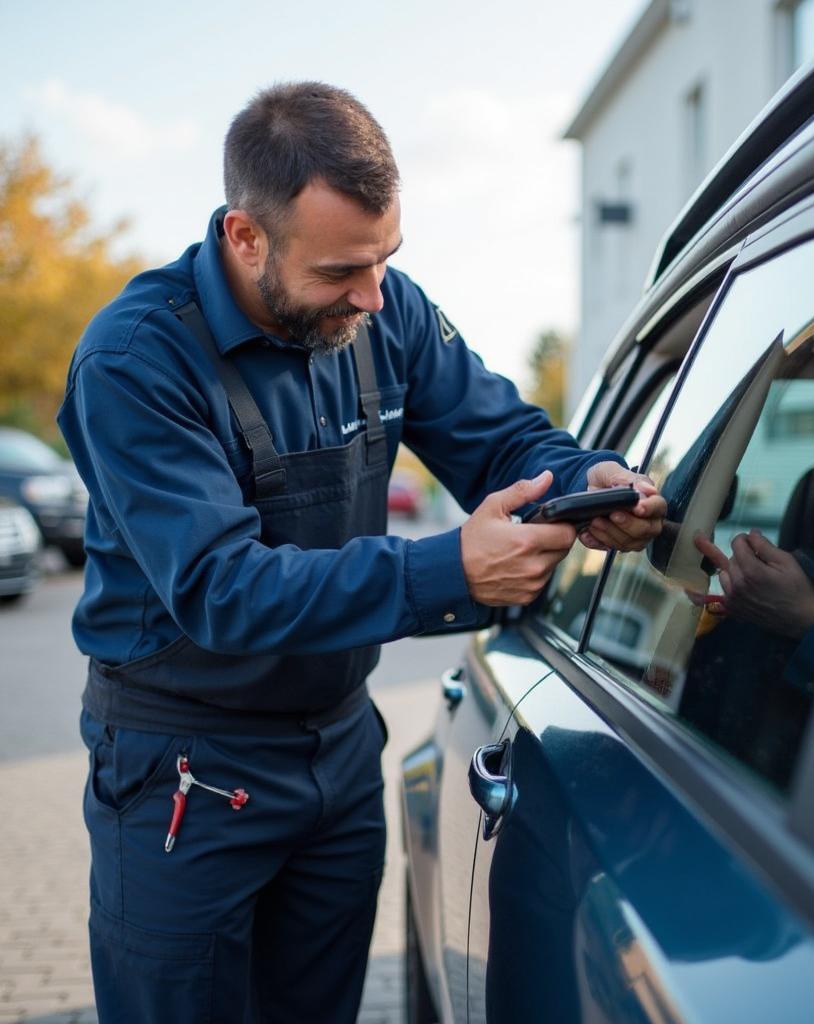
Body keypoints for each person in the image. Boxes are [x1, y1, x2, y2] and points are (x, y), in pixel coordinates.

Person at [58, 81, 665, 1023]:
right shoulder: (135, 362)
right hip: (184, 772)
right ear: (245, 237)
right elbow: (224, 588)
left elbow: (504, 442)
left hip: (338, 758)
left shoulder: (386, 310)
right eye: (344, 270)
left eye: (388, 259)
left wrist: (597, 479)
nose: (373, 295)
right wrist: (450, 571)